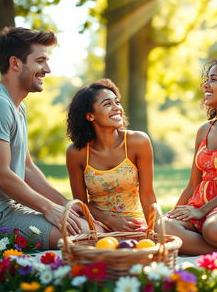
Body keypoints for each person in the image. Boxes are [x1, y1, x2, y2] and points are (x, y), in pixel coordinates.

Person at [0, 26, 84, 250]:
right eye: (40, 60)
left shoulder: (17, 107)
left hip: (13, 208)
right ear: (15, 63)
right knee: (83, 236)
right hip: (1, 215)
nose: (48, 69)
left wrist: (63, 204)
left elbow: (27, 168)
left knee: (88, 226)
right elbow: (1, 174)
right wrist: (48, 208)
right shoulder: (0, 105)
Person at [160, 55, 217, 255]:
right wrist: (174, 214)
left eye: (213, 80)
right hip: (201, 204)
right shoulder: (204, 130)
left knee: (215, 228)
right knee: (162, 227)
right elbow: (194, 184)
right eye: (207, 79)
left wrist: (202, 211)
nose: (205, 85)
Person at [66, 78, 157, 233]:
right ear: (90, 116)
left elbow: (148, 195)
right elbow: (81, 203)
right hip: (96, 223)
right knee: (83, 234)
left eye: (117, 102)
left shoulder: (138, 141)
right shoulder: (76, 153)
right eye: (108, 104)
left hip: (133, 223)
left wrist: (152, 228)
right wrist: (110, 221)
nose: (117, 108)